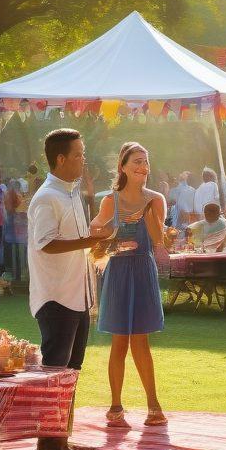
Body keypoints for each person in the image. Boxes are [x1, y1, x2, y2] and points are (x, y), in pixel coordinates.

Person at [27, 129, 112, 450]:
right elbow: (45, 242)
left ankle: (60, 442)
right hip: (56, 299)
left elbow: (76, 243)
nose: (83, 160)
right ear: (60, 159)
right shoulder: (46, 197)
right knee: (55, 375)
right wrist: (88, 243)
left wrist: (97, 243)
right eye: (78, 154)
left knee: (69, 374)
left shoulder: (71, 194)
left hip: (77, 295)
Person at [90, 142, 167, 429]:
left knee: (141, 341)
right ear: (123, 166)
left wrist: (148, 216)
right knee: (119, 341)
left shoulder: (156, 198)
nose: (142, 166)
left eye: (146, 161)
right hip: (119, 272)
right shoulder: (110, 200)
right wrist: (111, 242)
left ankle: (153, 405)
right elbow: (95, 233)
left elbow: (160, 241)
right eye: (136, 161)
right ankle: (115, 406)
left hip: (143, 270)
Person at [3, 177, 29, 282]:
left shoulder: (9, 196)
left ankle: (16, 275)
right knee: (20, 253)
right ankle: (20, 275)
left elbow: (8, 209)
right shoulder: (19, 197)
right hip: (20, 234)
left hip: (13, 232)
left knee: (14, 252)